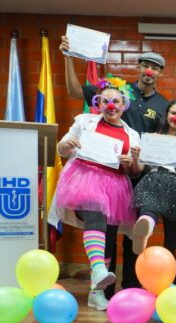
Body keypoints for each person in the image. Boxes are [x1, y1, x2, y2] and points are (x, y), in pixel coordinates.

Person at [60, 37, 169, 298]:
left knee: (133, 236)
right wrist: (68, 57)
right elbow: (75, 91)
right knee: (104, 231)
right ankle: (103, 291)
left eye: (155, 68)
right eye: (145, 65)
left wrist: (140, 162)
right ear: (138, 67)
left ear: (160, 73)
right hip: (100, 174)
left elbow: (162, 141)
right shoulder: (117, 91)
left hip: (135, 173)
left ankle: (130, 287)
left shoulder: (163, 105)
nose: (149, 71)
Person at [53, 79, 142, 310]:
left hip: (115, 185)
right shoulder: (84, 121)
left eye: (116, 101)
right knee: (95, 212)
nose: (111, 105)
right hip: (85, 179)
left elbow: (134, 171)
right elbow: (61, 148)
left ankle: (96, 293)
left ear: (124, 104)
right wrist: (66, 146)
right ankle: (99, 269)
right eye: (105, 101)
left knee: (108, 238)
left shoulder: (132, 134)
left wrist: (130, 162)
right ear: (98, 103)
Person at [130, 100, 176, 286]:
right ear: (166, 114)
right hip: (154, 178)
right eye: (173, 113)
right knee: (149, 205)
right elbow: (140, 169)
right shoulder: (153, 137)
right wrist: (136, 157)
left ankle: (173, 280)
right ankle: (146, 226)